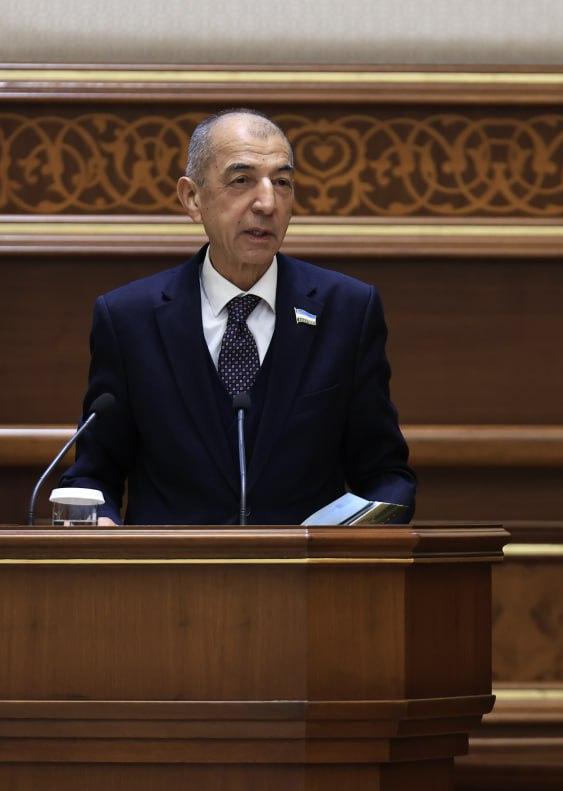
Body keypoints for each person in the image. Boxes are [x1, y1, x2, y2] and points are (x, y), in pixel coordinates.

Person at [58, 109, 415, 524]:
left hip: (305, 565)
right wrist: (99, 520)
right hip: (171, 565)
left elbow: (385, 475)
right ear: (193, 198)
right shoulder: (129, 319)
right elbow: (93, 475)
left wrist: (357, 535)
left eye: (282, 183)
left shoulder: (347, 311)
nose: (267, 203)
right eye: (242, 180)